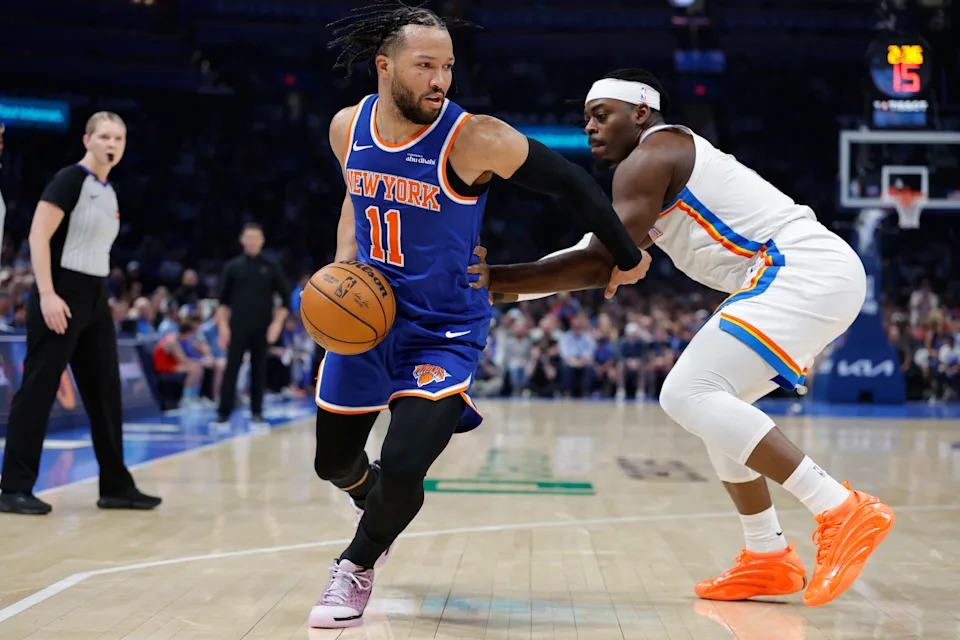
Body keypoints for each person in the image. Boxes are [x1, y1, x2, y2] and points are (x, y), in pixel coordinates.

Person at [471, 69, 895, 608]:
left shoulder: (654, 154)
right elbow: (590, 258)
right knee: (719, 409)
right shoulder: (654, 173)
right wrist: (493, 288)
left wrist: (494, 281)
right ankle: (767, 557)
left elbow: (601, 260)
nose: (590, 129)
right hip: (808, 275)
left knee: (687, 392)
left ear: (641, 113)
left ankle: (840, 508)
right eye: (586, 120)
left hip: (798, 268)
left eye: (603, 116)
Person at [309, 3, 650, 628]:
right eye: (424, 66)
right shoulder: (344, 128)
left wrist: (626, 257)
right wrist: (341, 266)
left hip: (443, 327)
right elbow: (354, 198)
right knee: (334, 463)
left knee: (408, 462)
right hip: (369, 321)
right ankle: (377, 502)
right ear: (385, 67)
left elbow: (573, 183)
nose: (440, 80)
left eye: (447, 67)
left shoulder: (474, 136)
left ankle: (354, 568)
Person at [0, 112, 161, 515]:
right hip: (60, 292)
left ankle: (116, 486)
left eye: (119, 138)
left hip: (94, 296)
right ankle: (13, 488)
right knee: (38, 389)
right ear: (87, 140)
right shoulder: (69, 180)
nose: (112, 144)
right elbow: (38, 234)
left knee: (106, 392)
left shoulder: (107, 190)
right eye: (105, 136)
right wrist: (47, 293)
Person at [211, 223, 289, 428]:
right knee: (232, 368)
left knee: (259, 370)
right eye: (249, 237)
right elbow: (222, 302)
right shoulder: (233, 267)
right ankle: (223, 413)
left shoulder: (271, 267)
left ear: (262, 241)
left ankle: (257, 413)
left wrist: (276, 325)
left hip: (262, 327)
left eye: (256, 237)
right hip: (237, 326)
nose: (252, 241)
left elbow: (285, 301)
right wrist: (223, 328)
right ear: (242, 240)